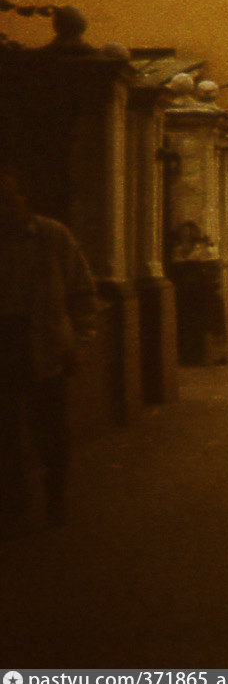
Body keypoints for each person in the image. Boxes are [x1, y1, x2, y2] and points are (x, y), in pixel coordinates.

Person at [0, 168, 97, 536]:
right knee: (5, 434)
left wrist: (81, 343)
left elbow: (82, 293)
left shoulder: (53, 238)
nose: (4, 211)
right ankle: (14, 506)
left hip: (45, 347)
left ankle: (55, 496)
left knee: (52, 433)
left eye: (9, 201)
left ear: (24, 199)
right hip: (5, 342)